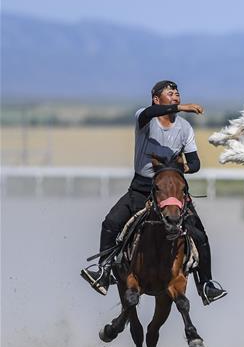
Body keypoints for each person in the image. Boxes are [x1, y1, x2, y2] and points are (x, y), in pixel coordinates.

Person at [80, 80, 228, 305]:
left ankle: (206, 284)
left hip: (171, 193)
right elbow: (152, 112)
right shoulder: (145, 118)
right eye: (171, 93)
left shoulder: (185, 128)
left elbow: (195, 163)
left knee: (200, 235)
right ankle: (104, 271)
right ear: (157, 99)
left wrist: (175, 171)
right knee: (111, 223)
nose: (176, 95)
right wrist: (182, 107)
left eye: (178, 93)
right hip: (141, 189)